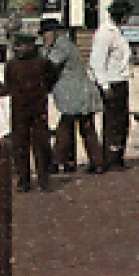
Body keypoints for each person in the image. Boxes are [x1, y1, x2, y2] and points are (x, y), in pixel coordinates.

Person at [39, 18, 103, 173]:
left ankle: (56, 161)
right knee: (86, 128)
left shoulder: (61, 46)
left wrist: (45, 49)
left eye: (47, 33)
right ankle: (97, 162)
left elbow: (48, 65)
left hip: (73, 94)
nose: (45, 37)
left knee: (66, 127)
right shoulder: (66, 44)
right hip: (79, 93)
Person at [5, 32, 55, 192]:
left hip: (35, 108)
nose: (17, 49)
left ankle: (42, 178)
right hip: (22, 109)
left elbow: (51, 79)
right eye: (16, 46)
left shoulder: (42, 63)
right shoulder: (13, 64)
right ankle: (24, 179)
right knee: (20, 145)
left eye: (20, 46)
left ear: (31, 46)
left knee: (40, 144)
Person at [88, 0, 134, 171]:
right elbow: (96, 62)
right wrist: (104, 85)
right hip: (111, 83)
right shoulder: (105, 34)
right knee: (113, 122)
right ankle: (110, 157)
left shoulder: (117, 32)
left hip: (121, 81)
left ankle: (118, 155)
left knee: (122, 122)